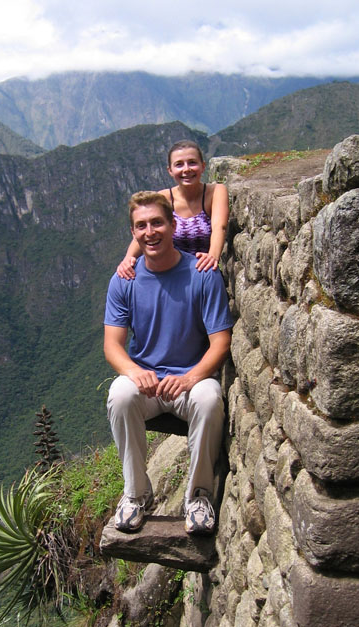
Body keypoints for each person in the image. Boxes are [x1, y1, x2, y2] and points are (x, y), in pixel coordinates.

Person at [104, 191, 233, 534]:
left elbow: (221, 342)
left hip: (190, 378)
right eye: (141, 225)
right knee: (120, 394)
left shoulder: (202, 274)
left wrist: (191, 378)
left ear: (174, 225)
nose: (150, 231)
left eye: (157, 222)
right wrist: (134, 371)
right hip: (147, 380)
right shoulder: (124, 281)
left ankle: (199, 496)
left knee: (209, 398)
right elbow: (113, 346)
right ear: (133, 233)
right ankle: (136, 494)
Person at [117, 140, 229, 280]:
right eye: (179, 164)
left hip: (202, 273)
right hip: (170, 274)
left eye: (192, 162)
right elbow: (145, 230)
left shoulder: (215, 192)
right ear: (170, 170)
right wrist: (128, 258)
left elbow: (220, 227)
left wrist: (212, 257)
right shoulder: (163, 198)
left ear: (203, 166)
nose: (186, 169)